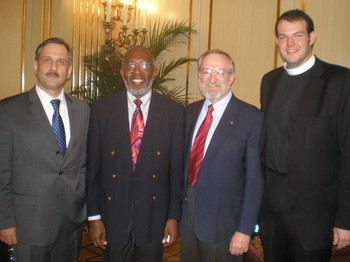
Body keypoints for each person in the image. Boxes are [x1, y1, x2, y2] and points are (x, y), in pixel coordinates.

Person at [259, 9, 350, 262]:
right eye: (283, 36)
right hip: (271, 206)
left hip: (314, 212)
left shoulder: (341, 81)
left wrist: (345, 219)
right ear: (277, 41)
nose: (290, 43)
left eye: (297, 35)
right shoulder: (269, 81)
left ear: (312, 37)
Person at [86, 45, 184, 262]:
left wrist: (173, 216)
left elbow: (176, 171)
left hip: (153, 215)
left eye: (144, 65)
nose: (137, 71)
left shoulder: (174, 112)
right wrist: (94, 216)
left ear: (154, 72)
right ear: (122, 72)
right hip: (113, 214)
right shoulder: (102, 109)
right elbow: (93, 167)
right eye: (131, 65)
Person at [0, 37, 90, 261]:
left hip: (71, 225)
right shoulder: (8, 111)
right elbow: (2, 172)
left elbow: (82, 165)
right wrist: (5, 221)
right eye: (47, 60)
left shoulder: (83, 111)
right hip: (27, 226)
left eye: (61, 62)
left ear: (69, 71)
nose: (53, 67)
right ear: (35, 66)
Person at [180, 49, 264, 262]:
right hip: (189, 220)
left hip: (225, 225)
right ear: (199, 76)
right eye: (206, 71)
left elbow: (255, 181)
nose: (212, 78)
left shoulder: (250, 117)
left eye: (219, 72)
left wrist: (245, 230)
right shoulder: (189, 113)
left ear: (232, 77)